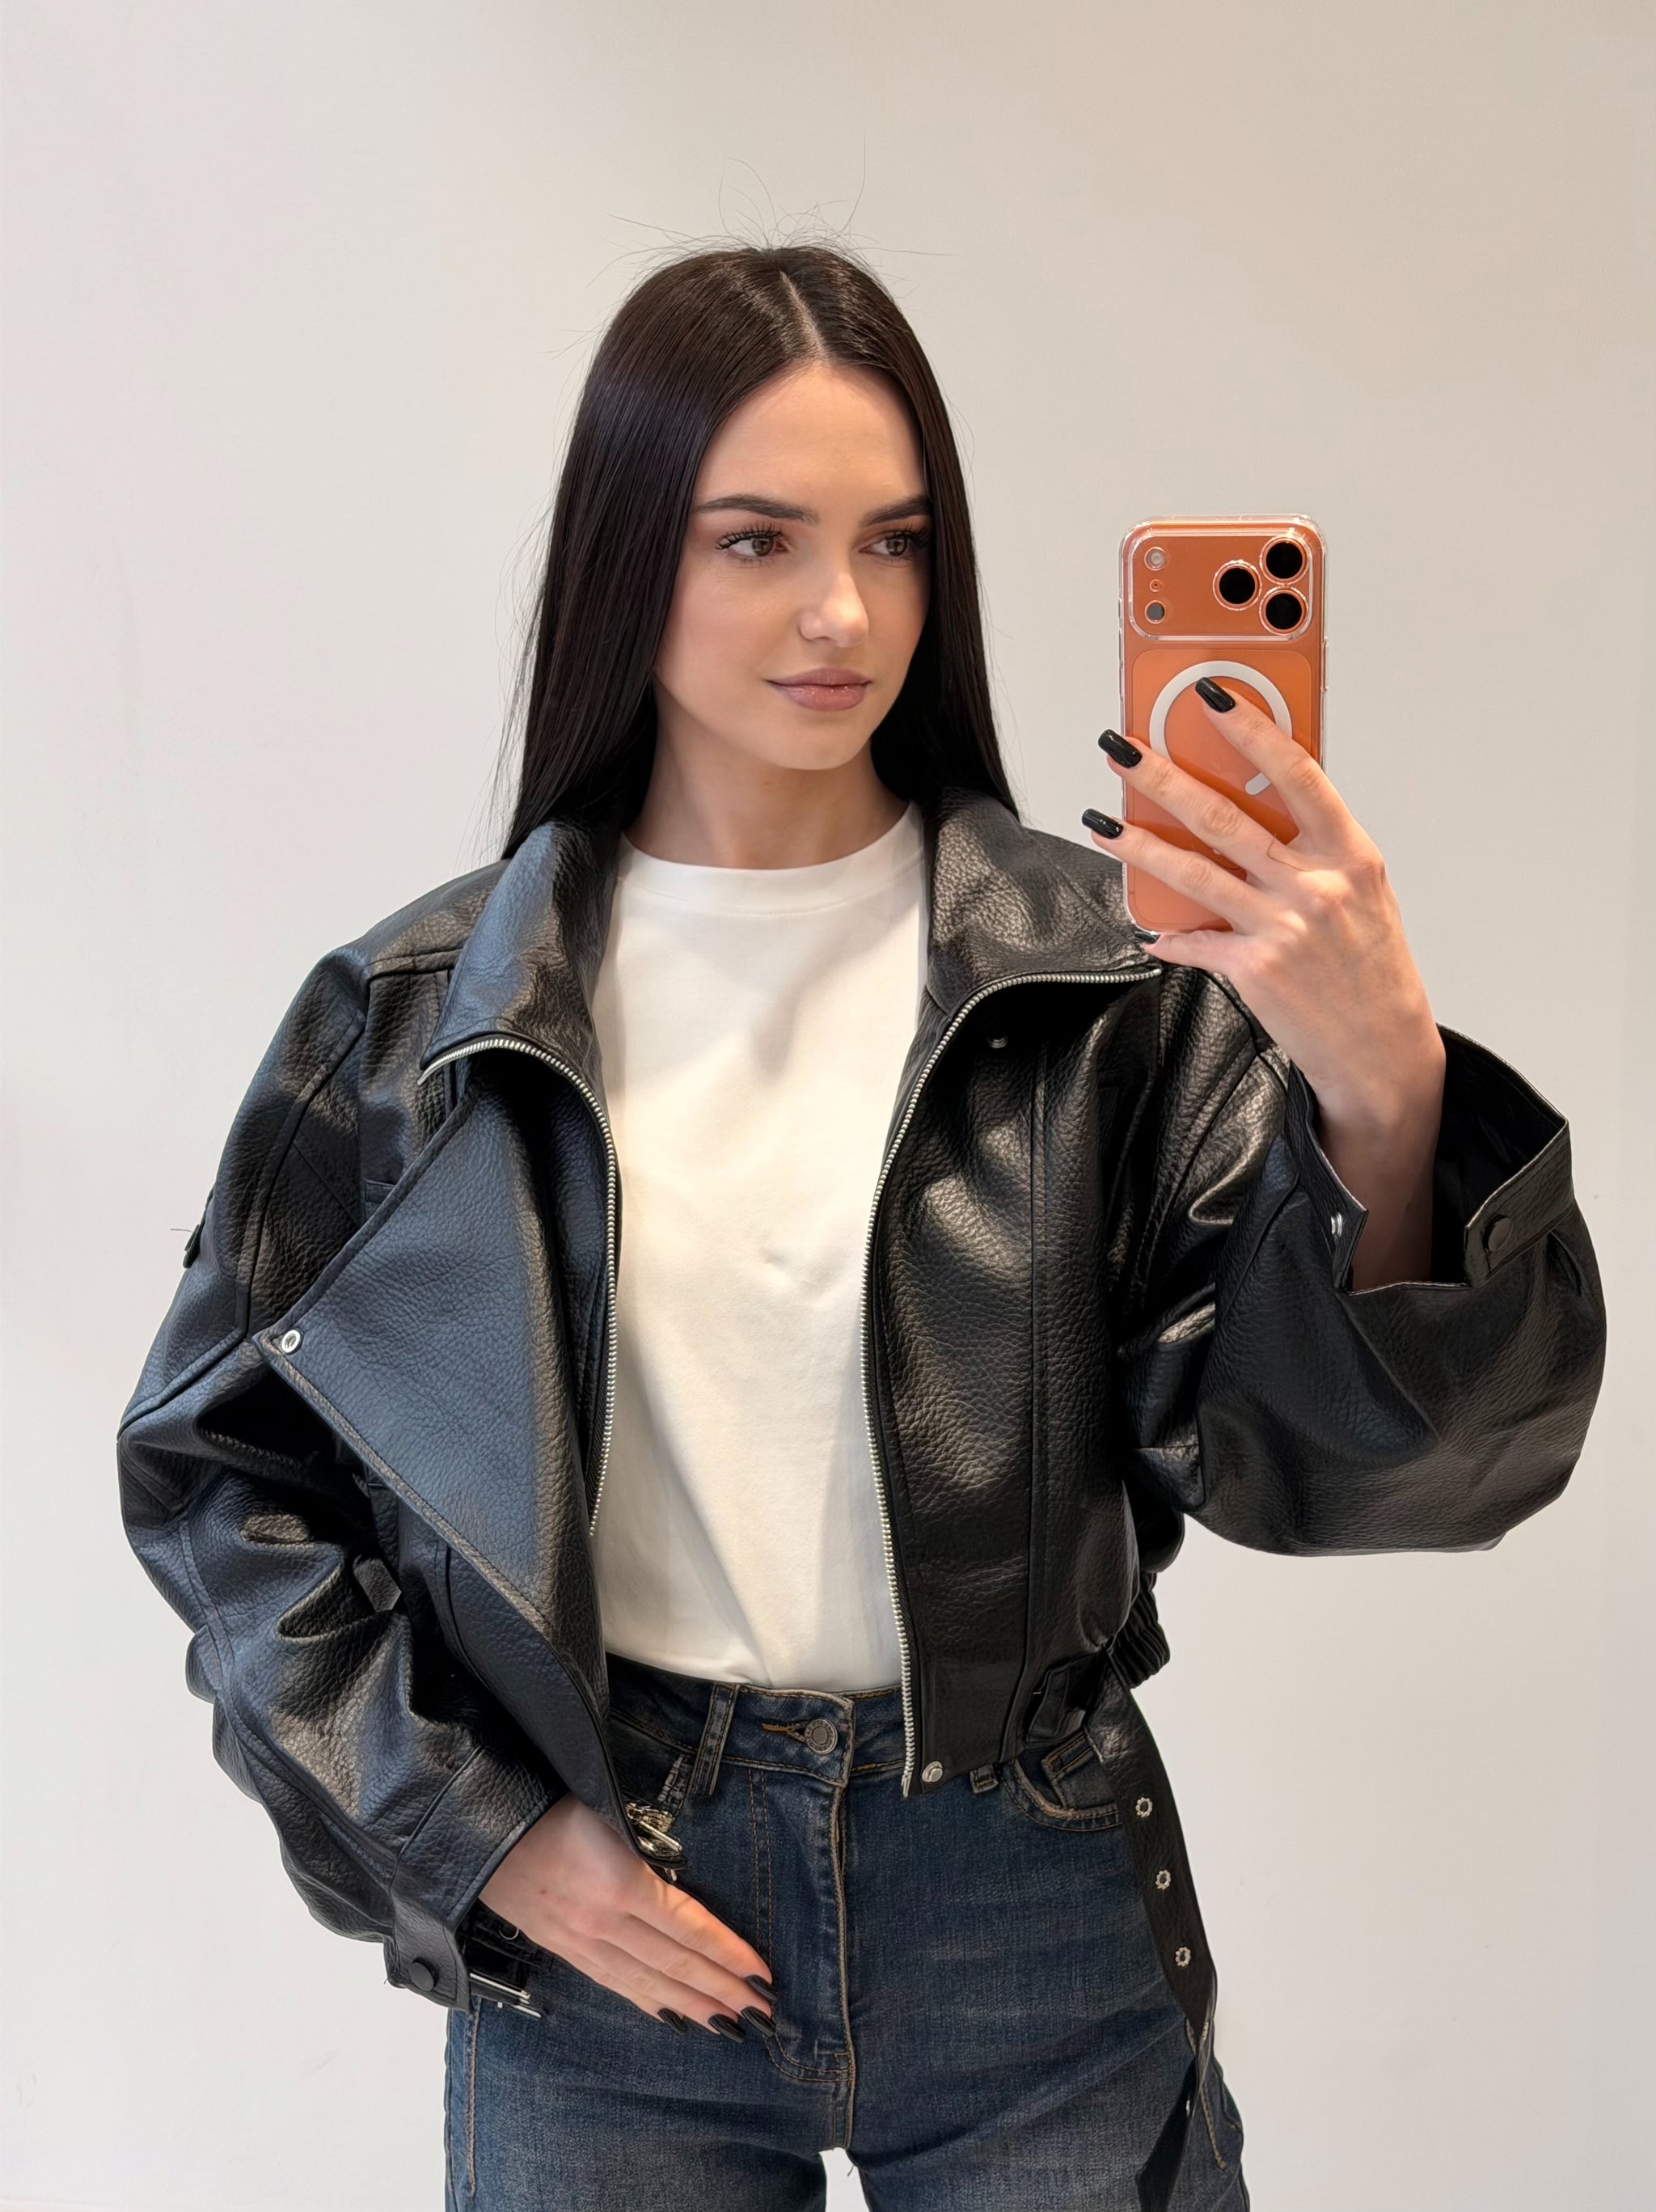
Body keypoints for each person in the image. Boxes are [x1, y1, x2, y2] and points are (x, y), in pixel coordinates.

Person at [116, 243, 1607, 2212]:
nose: (841, 612)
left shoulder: (1107, 991)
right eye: (756, 540)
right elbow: (218, 1479)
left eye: (895, 543)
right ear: (624, 559)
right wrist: (477, 1836)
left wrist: (1382, 1087)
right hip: (613, 1926)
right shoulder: (416, 1024)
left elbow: (1361, 1474)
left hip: (1026, 1904)